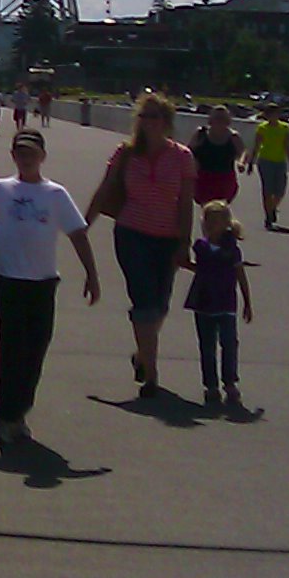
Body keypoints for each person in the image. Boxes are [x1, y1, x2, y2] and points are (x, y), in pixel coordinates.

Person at [0, 127, 100, 444]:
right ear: (13, 156)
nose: (26, 158)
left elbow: (78, 234)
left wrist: (92, 276)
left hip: (43, 282)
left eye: (32, 153)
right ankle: (4, 419)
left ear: (42, 157)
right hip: (8, 280)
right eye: (20, 153)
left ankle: (18, 414)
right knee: (12, 349)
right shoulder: (1, 190)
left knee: (35, 350)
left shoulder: (55, 194)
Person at [86, 91, 196, 396]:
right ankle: (151, 374)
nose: (148, 122)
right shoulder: (126, 153)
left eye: (154, 117)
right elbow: (106, 188)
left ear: (166, 121)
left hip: (168, 237)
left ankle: (142, 353)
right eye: (143, 117)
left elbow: (186, 203)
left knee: (160, 305)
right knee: (144, 300)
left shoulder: (182, 156)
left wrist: (185, 242)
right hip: (131, 232)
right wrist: (84, 223)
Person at [185, 200, 253, 408]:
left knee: (229, 344)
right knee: (207, 346)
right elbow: (201, 269)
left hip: (226, 304)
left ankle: (230, 382)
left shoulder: (232, 250)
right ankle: (211, 386)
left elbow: (240, 275)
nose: (212, 225)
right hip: (203, 302)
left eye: (217, 221)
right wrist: (183, 263)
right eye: (209, 221)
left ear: (226, 223)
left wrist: (247, 302)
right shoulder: (201, 247)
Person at [247, 102, 289, 230]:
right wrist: (251, 162)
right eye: (271, 113)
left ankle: (273, 208)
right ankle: (268, 216)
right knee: (268, 190)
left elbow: (287, 146)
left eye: (276, 113)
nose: (274, 116)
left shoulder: (285, 128)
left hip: (280, 160)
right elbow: (256, 146)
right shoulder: (262, 128)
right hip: (265, 160)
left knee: (280, 190)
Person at [191, 105, 245, 207]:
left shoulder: (233, 136)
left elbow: (243, 151)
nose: (219, 121)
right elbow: (189, 151)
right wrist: (193, 163)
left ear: (228, 120)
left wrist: (241, 162)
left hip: (225, 178)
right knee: (207, 208)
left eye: (223, 119)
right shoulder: (201, 133)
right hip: (204, 178)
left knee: (220, 209)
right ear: (211, 120)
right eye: (217, 118)